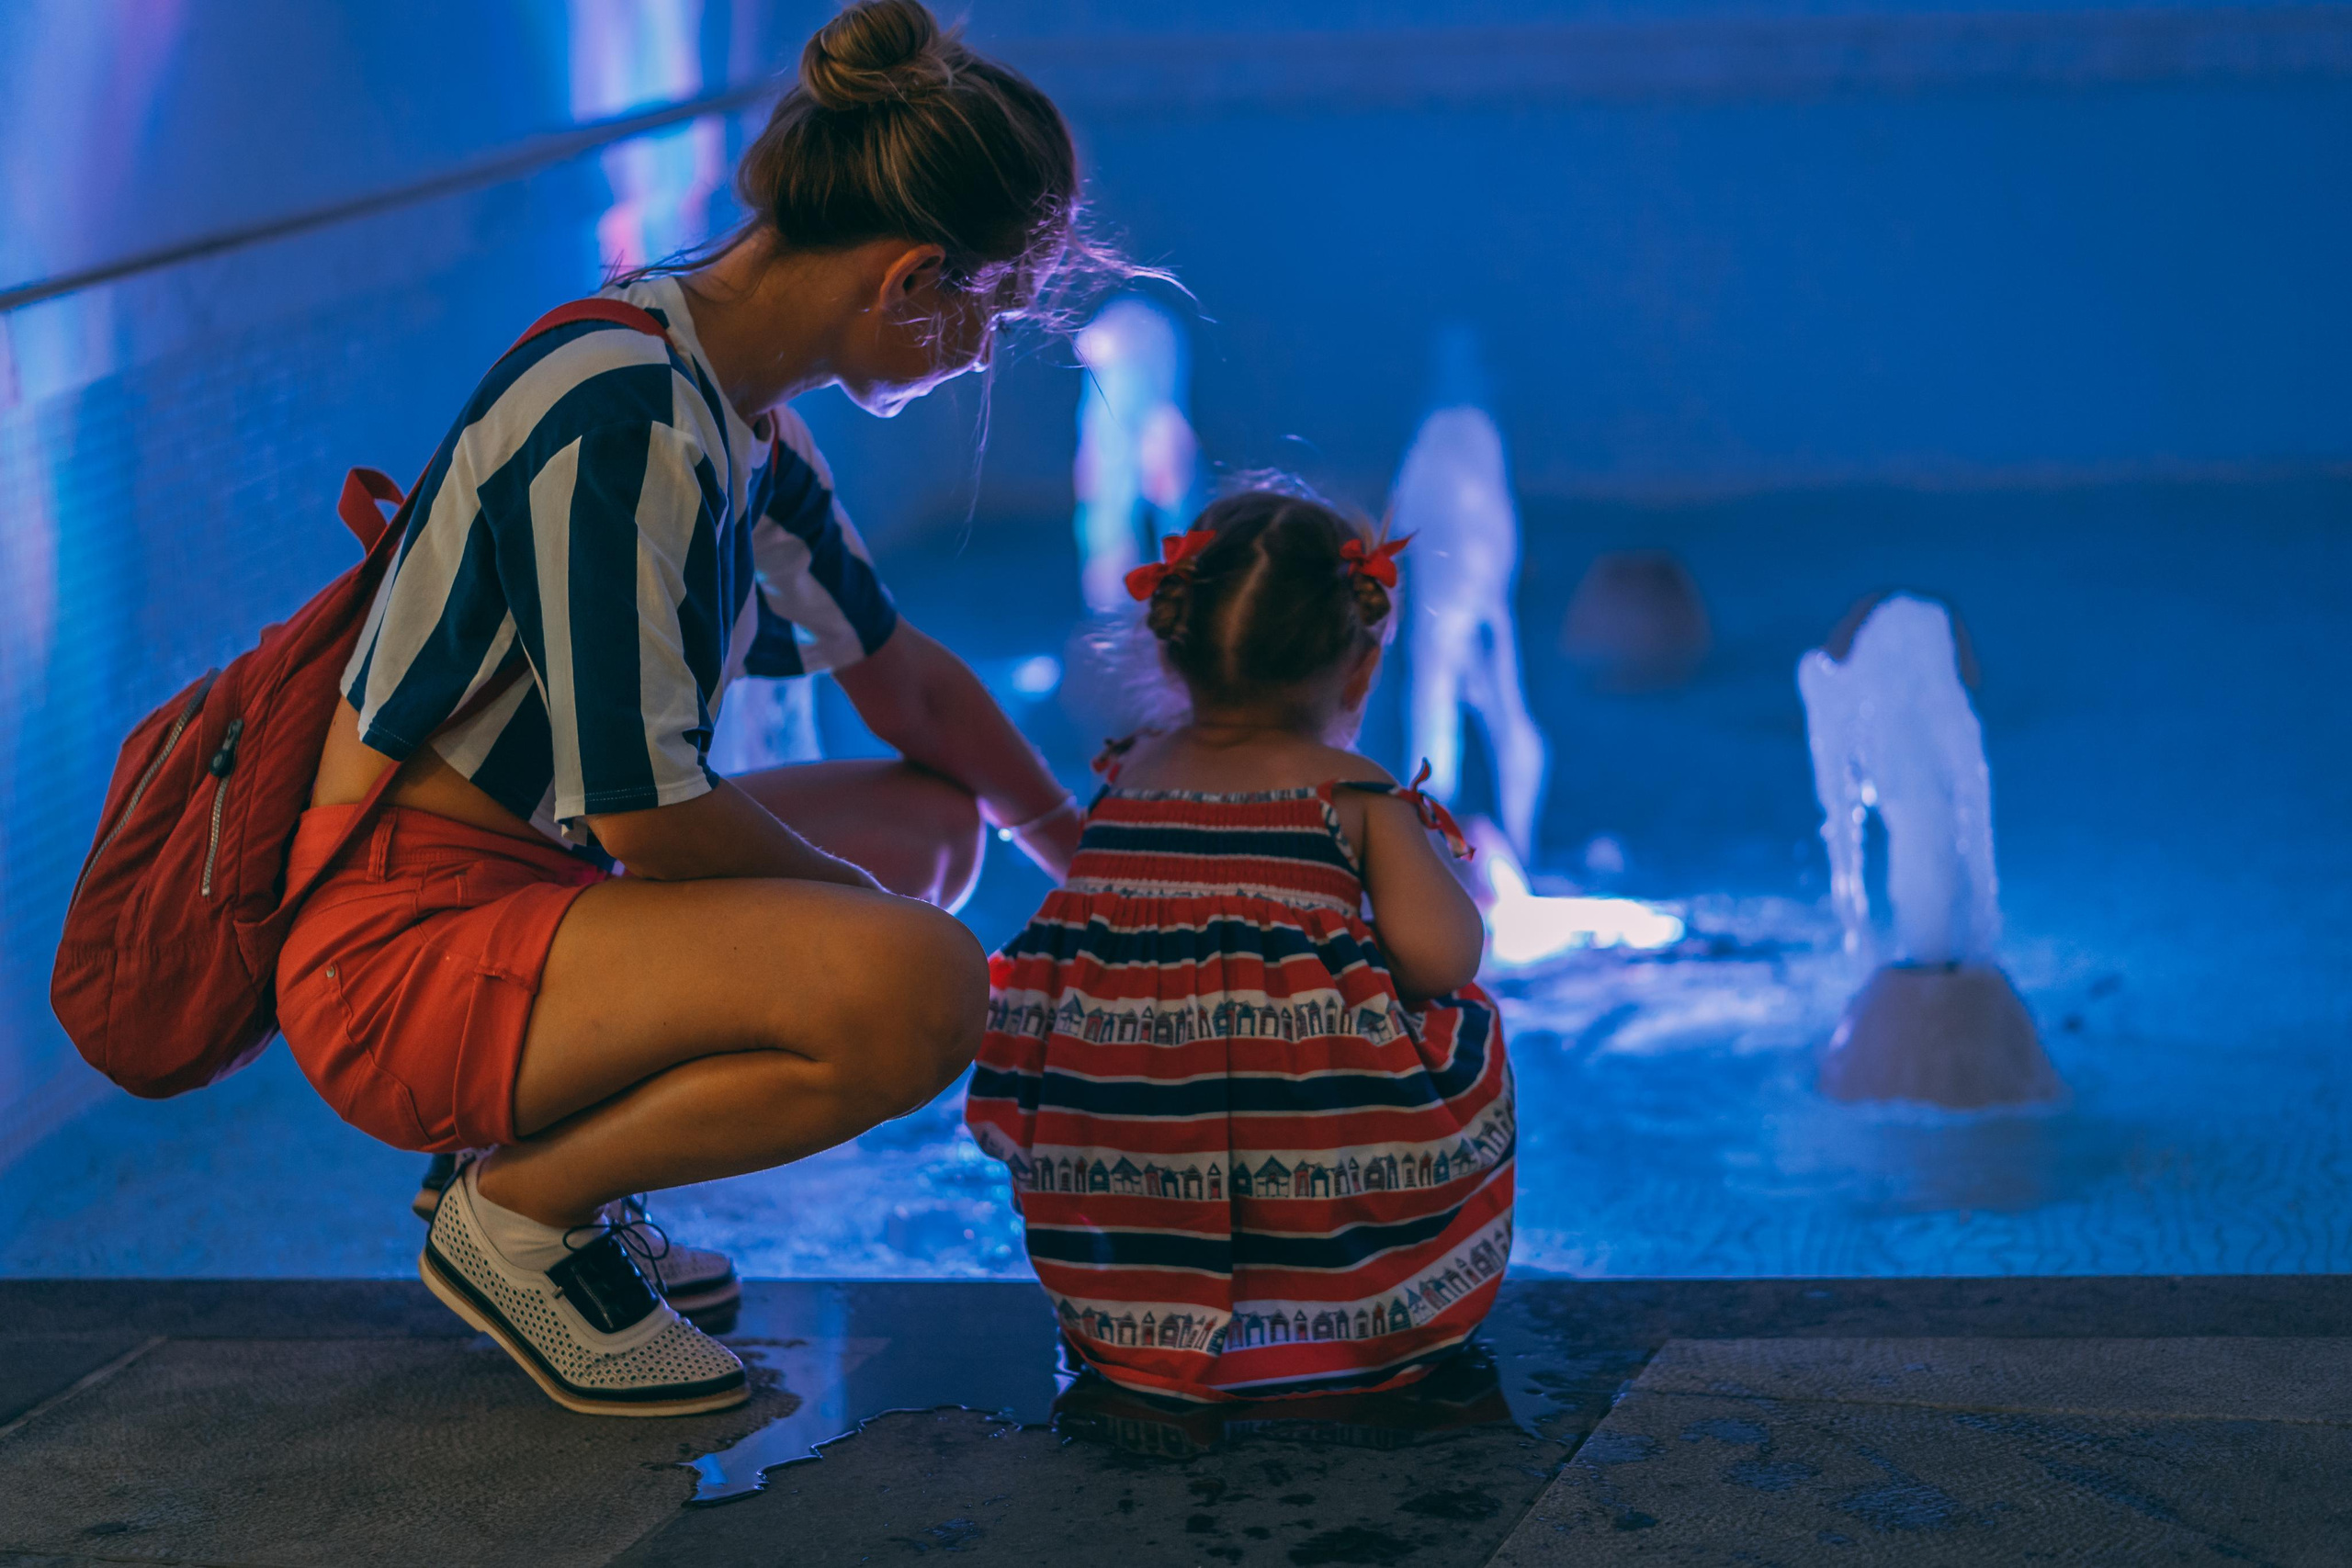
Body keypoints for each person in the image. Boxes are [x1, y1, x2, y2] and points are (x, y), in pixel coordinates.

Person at [281, 0, 1122, 1417]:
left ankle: (545, 1148)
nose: (984, 351)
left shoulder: (734, 412)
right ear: (914, 273)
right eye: (993, 309)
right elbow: (645, 813)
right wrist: (888, 937)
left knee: (929, 825)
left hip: (530, 891)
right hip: (399, 952)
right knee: (916, 981)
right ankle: (521, 1212)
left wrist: (1099, 876)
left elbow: (902, 679)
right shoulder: (627, 413)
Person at [964, 486, 1517, 1403]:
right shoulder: (1353, 795)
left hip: (1123, 1285)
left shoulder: (1127, 775)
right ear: (1360, 671)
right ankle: (1350, 1304)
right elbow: (1445, 959)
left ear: (1172, 652)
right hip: (1346, 1300)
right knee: (1466, 1022)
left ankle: (1157, 1326)